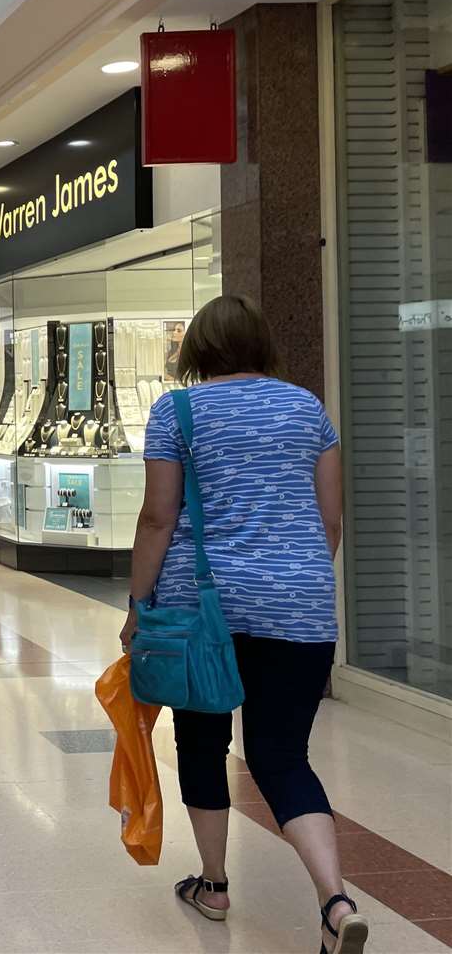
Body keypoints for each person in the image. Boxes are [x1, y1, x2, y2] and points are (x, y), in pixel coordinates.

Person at [118, 295, 365, 954]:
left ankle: (216, 884)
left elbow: (157, 519)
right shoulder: (307, 408)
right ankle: (335, 901)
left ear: (196, 351)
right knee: (282, 758)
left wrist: (138, 607)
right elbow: (330, 519)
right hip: (301, 607)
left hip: (202, 612)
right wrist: (291, 586)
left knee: (201, 744)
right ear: (262, 344)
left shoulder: (178, 410)